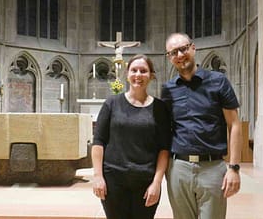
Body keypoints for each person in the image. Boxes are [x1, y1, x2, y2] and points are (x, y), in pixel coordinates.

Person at [161, 32, 242, 219]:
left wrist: (234, 168)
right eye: (174, 52)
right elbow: (164, 130)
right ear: (169, 58)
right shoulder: (168, 89)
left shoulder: (218, 81)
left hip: (212, 167)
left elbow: (235, 124)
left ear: (193, 48)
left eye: (183, 49)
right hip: (178, 168)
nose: (180, 55)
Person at [91, 54, 171, 219]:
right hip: (114, 180)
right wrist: (98, 177)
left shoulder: (160, 108)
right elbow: (98, 142)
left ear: (151, 75)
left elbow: (164, 148)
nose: (138, 75)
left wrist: (157, 183)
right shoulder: (112, 104)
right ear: (127, 74)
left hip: (146, 180)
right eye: (134, 70)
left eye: (143, 71)